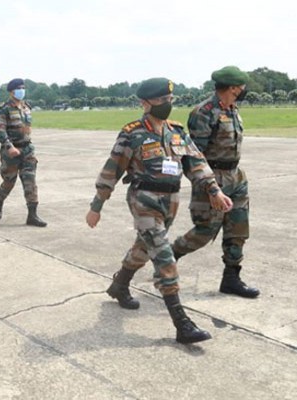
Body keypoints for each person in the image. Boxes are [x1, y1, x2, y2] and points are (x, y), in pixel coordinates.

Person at [86, 78, 233, 344]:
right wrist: (97, 206)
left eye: (169, 100)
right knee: (164, 256)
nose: (167, 105)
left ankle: (119, 285)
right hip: (144, 199)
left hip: (171, 200)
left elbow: (196, 163)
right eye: (161, 101)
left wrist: (215, 191)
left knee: (144, 247)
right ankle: (182, 324)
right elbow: (112, 169)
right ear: (145, 103)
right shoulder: (133, 133)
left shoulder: (176, 131)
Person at [171, 66, 260, 299]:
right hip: (212, 176)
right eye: (241, 87)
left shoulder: (232, 109)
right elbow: (192, 156)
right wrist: (210, 189)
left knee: (238, 229)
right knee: (205, 231)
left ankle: (231, 278)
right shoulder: (204, 112)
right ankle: (169, 255)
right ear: (231, 88)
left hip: (236, 176)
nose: (243, 90)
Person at [0, 78, 47, 227]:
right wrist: (9, 147)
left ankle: (32, 215)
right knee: (9, 181)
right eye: (18, 88)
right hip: (11, 151)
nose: (21, 91)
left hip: (27, 149)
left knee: (30, 181)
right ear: (11, 91)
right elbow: (0, 131)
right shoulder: (3, 109)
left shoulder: (26, 107)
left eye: (23, 88)